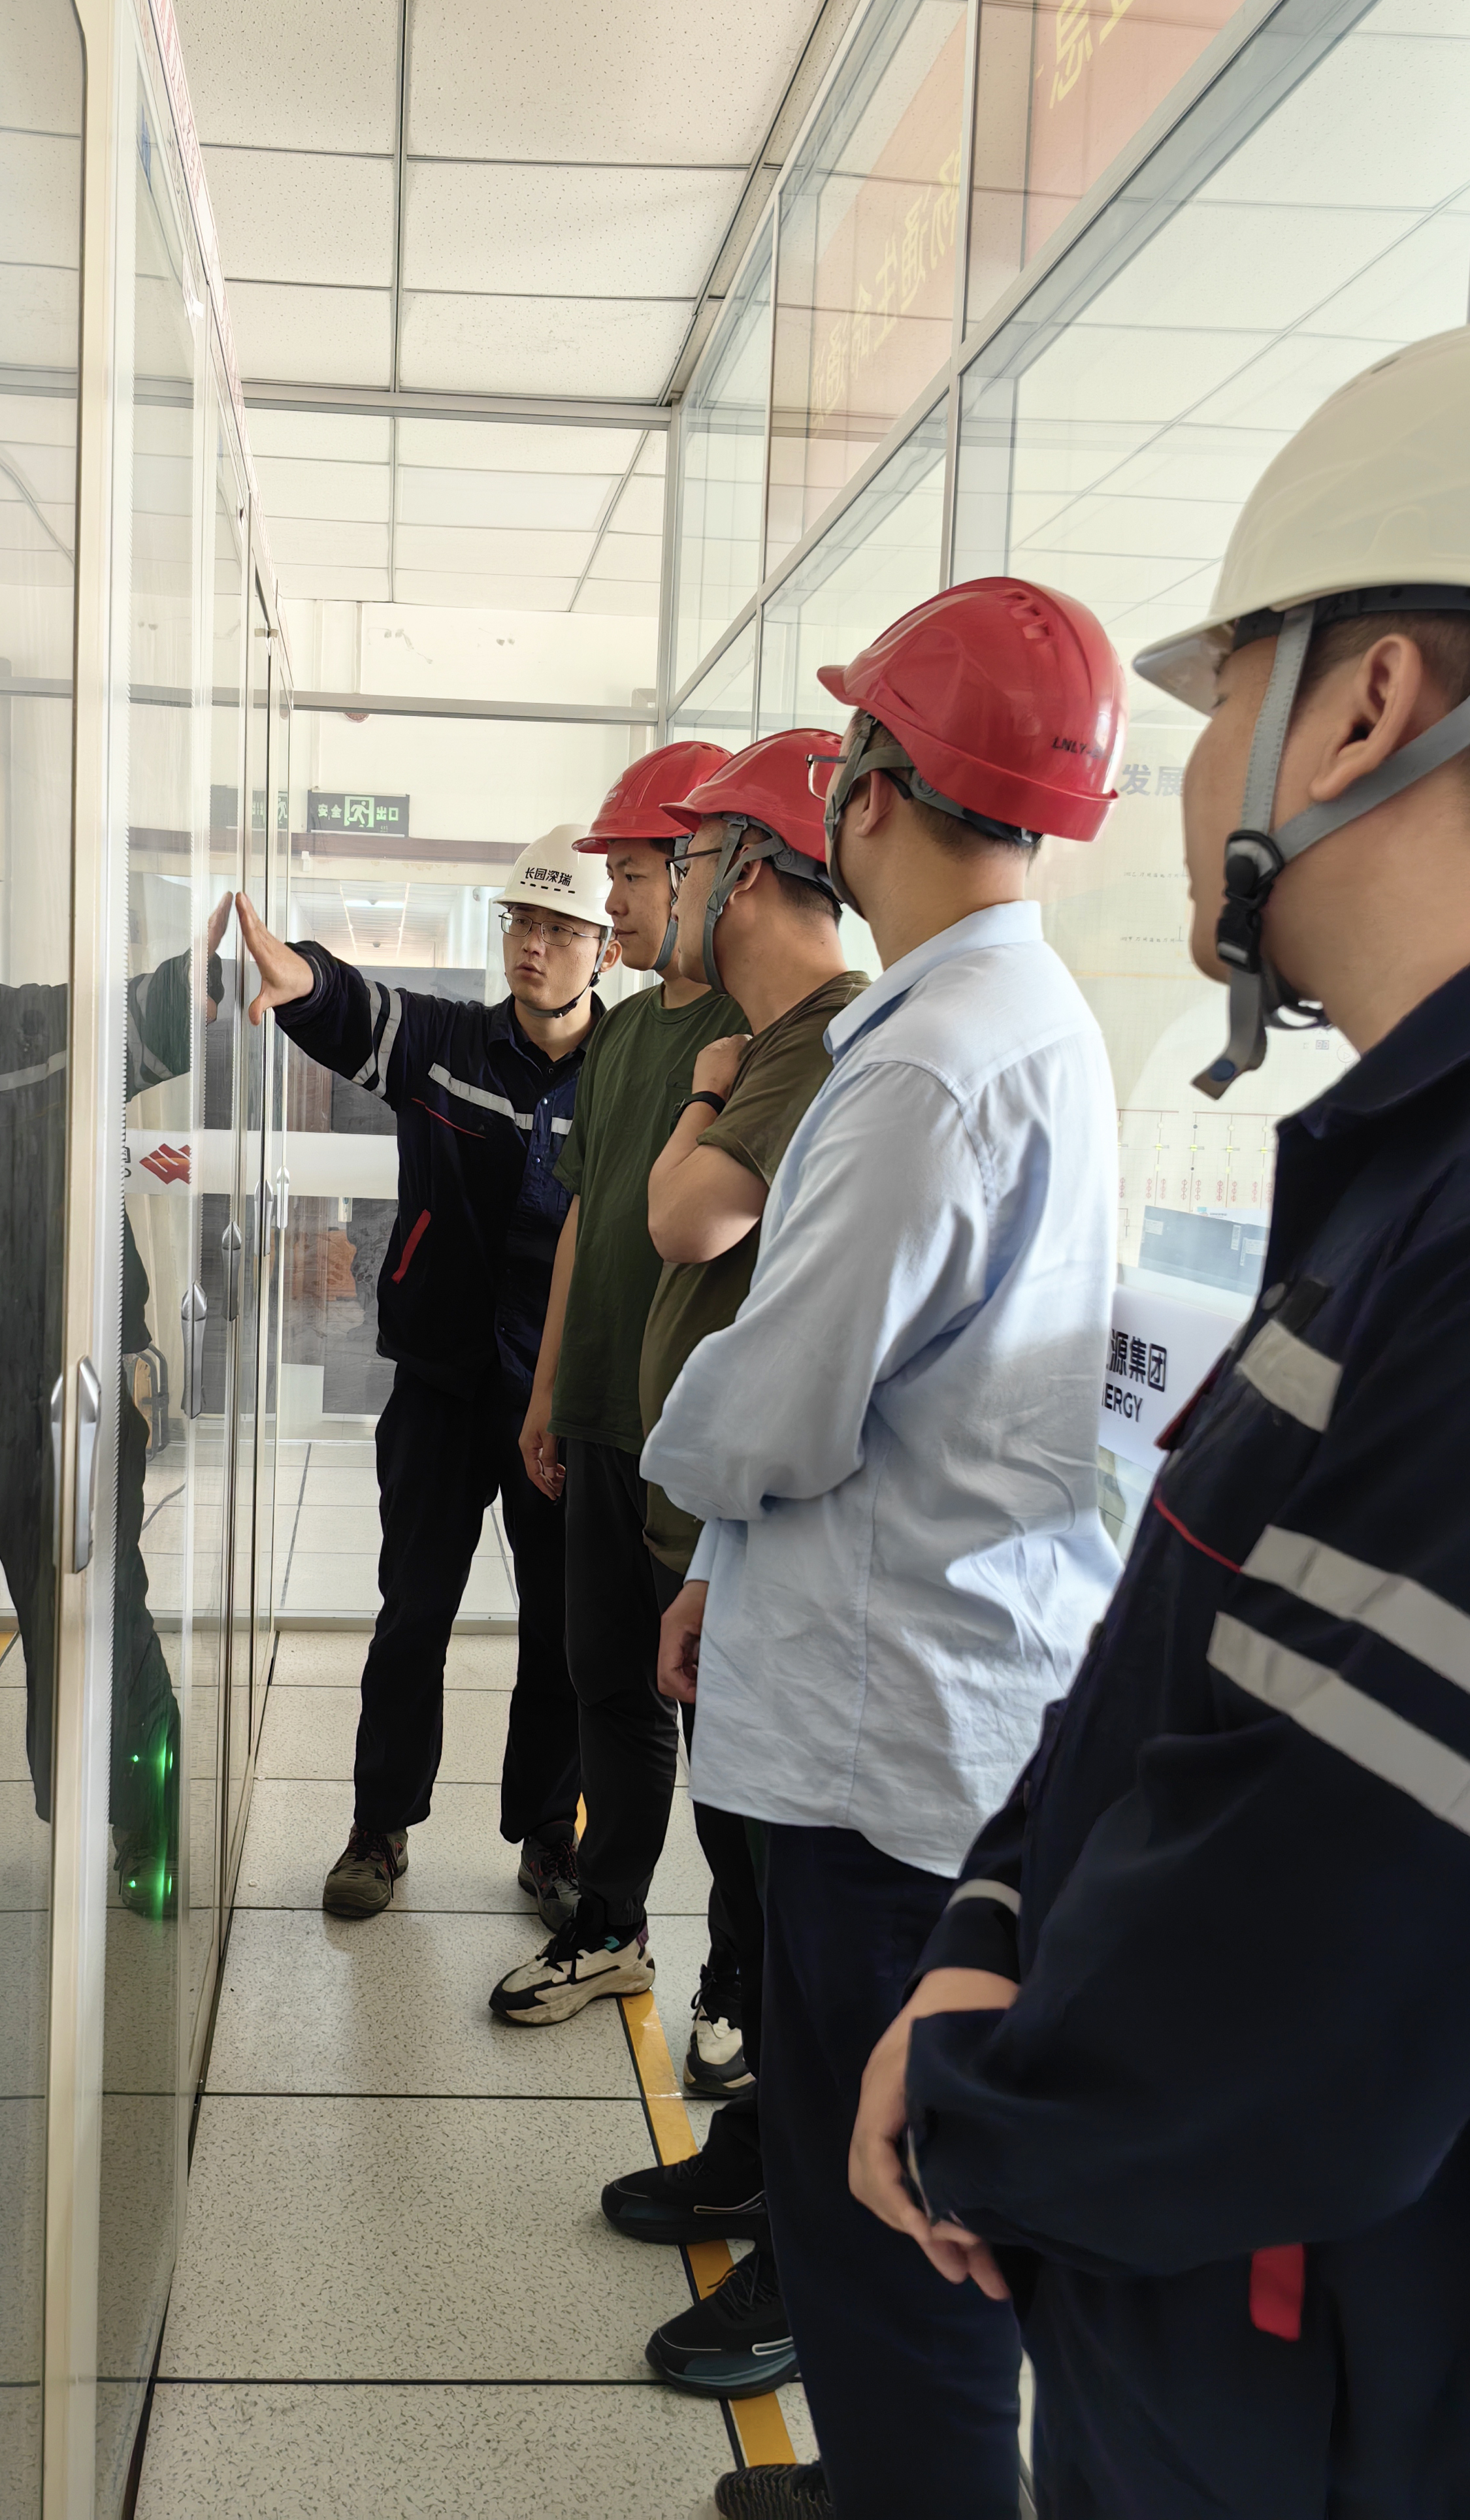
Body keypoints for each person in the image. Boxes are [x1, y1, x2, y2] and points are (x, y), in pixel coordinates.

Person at [851, 318, 1470, 2520]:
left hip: (1328, 2410)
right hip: (1224, 2350)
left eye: (1225, 689)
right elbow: (1189, 1658)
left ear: (1367, 704)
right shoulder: (1413, 1174)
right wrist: (985, 1931)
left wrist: (984, 2120)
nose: (1192, 762)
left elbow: (1329, 1955)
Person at [640, 582, 1128, 2520]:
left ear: (869, 787)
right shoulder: (1010, 1017)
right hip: (920, 1690)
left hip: (881, 1748)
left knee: (885, 2225)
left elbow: (787, 1398)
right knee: (885, 2194)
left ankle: (908, 2492)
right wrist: (718, 1565)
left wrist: (685, 1473)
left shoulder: (930, 1062)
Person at [495, 730, 867, 2404]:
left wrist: (711, 1099)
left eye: (679, 860)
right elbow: (625, 1222)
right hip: (722, 1512)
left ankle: (809, 2241)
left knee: (796, 1901)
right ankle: (764, 2156)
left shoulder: (849, 1045)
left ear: (754, 868)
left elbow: (693, 1227)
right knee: (735, 1831)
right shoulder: (747, 1036)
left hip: (820, 1562)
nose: (655, 890)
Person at [233, 829, 618, 1920]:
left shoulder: (627, 1074)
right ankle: (379, 1828)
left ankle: (550, 1838)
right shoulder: (447, 1044)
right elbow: (355, 1009)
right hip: (441, 1387)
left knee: (560, 1631)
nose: (534, 945)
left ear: (604, 949)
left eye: (561, 929)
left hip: (559, 1398)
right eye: (521, 922)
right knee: (414, 1616)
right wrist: (301, 975)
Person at [0, 796, 214, 1933]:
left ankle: (135, 1820)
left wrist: (223, 968)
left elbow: (159, 1010)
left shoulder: (40, 1032)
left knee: (91, 1603)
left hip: (48, 1378)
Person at [489, 743, 746, 2070]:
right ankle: (611, 1922)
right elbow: (587, 1214)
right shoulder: (629, 1033)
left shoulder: (758, 1037)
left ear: (711, 873)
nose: (617, 903)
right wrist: (549, 1390)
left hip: (695, 1431)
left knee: (718, 1710)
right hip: (597, 1406)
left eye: (638, 875)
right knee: (605, 1678)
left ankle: (741, 1978)